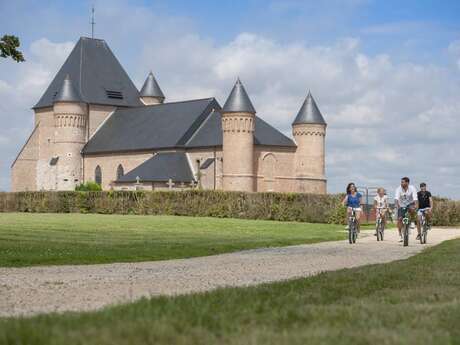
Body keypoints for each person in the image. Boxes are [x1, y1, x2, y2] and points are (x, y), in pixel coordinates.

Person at [395, 177, 418, 242]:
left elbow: (415, 198)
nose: (401, 183)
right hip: (401, 205)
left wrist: (415, 206)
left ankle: (413, 221)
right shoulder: (398, 189)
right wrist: (397, 206)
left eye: (403, 182)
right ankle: (400, 235)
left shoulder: (412, 188)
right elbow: (396, 199)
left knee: (412, 208)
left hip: (410, 203)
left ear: (407, 183)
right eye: (401, 182)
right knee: (399, 219)